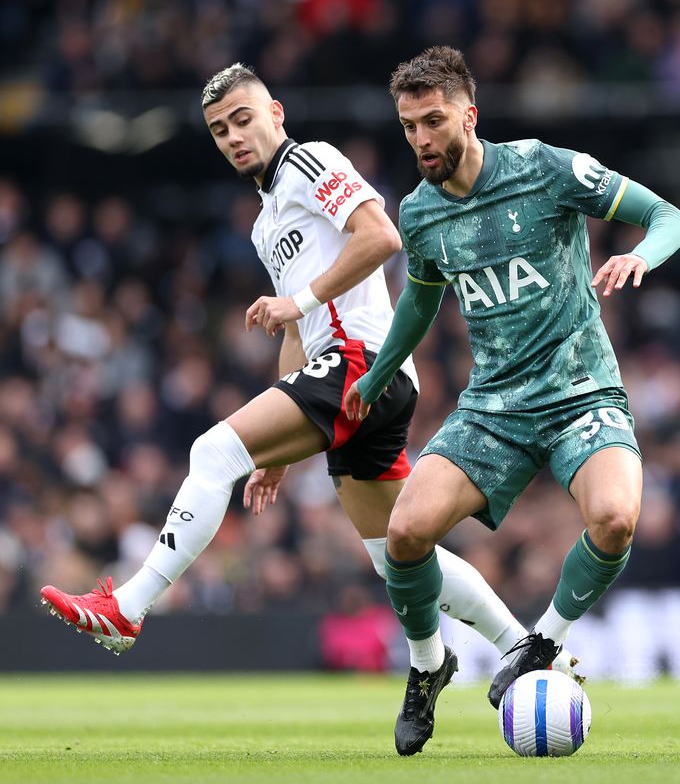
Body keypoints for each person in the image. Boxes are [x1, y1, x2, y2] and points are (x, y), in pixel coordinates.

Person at [40, 63, 577, 680]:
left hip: (363, 363)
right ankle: (525, 648)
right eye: (220, 130)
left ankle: (129, 607)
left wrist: (300, 300)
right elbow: (297, 336)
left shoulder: (308, 162)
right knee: (394, 554)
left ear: (276, 115)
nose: (235, 136)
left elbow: (380, 235)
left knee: (211, 453)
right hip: (351, 376)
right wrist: (277, 454)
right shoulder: (265, 224)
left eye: (244, 119)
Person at [341, 46, 680, 755]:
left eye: (433, 121)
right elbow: (420, 297)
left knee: (618, 518)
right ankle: (427, 663)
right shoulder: (420, 212)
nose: (421, 139)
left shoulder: (544, 167)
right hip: (494, 408)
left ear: (470, 114)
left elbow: (669, 216)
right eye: (409, 126)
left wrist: (638, 256)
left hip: (579, 389)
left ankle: (539, 645)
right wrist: (377, 376)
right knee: (405, 535)